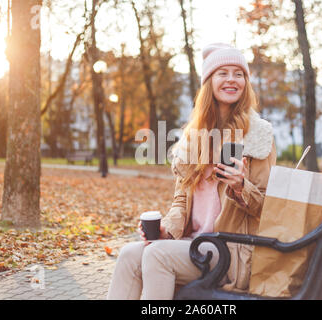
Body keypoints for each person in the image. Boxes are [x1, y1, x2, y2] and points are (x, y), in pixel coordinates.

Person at [106, 43, 277, 300]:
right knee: (130, 254)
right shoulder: (192, 138)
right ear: (209, 81)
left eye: (238, 73)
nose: (232, 79)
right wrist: (167, 231)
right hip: (193, 244)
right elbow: (181, 200)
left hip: (233, 250)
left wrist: (242, 187)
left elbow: (270, 210)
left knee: (157, 255)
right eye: (223, 72)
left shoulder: (259, 136)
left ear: (246, 83)